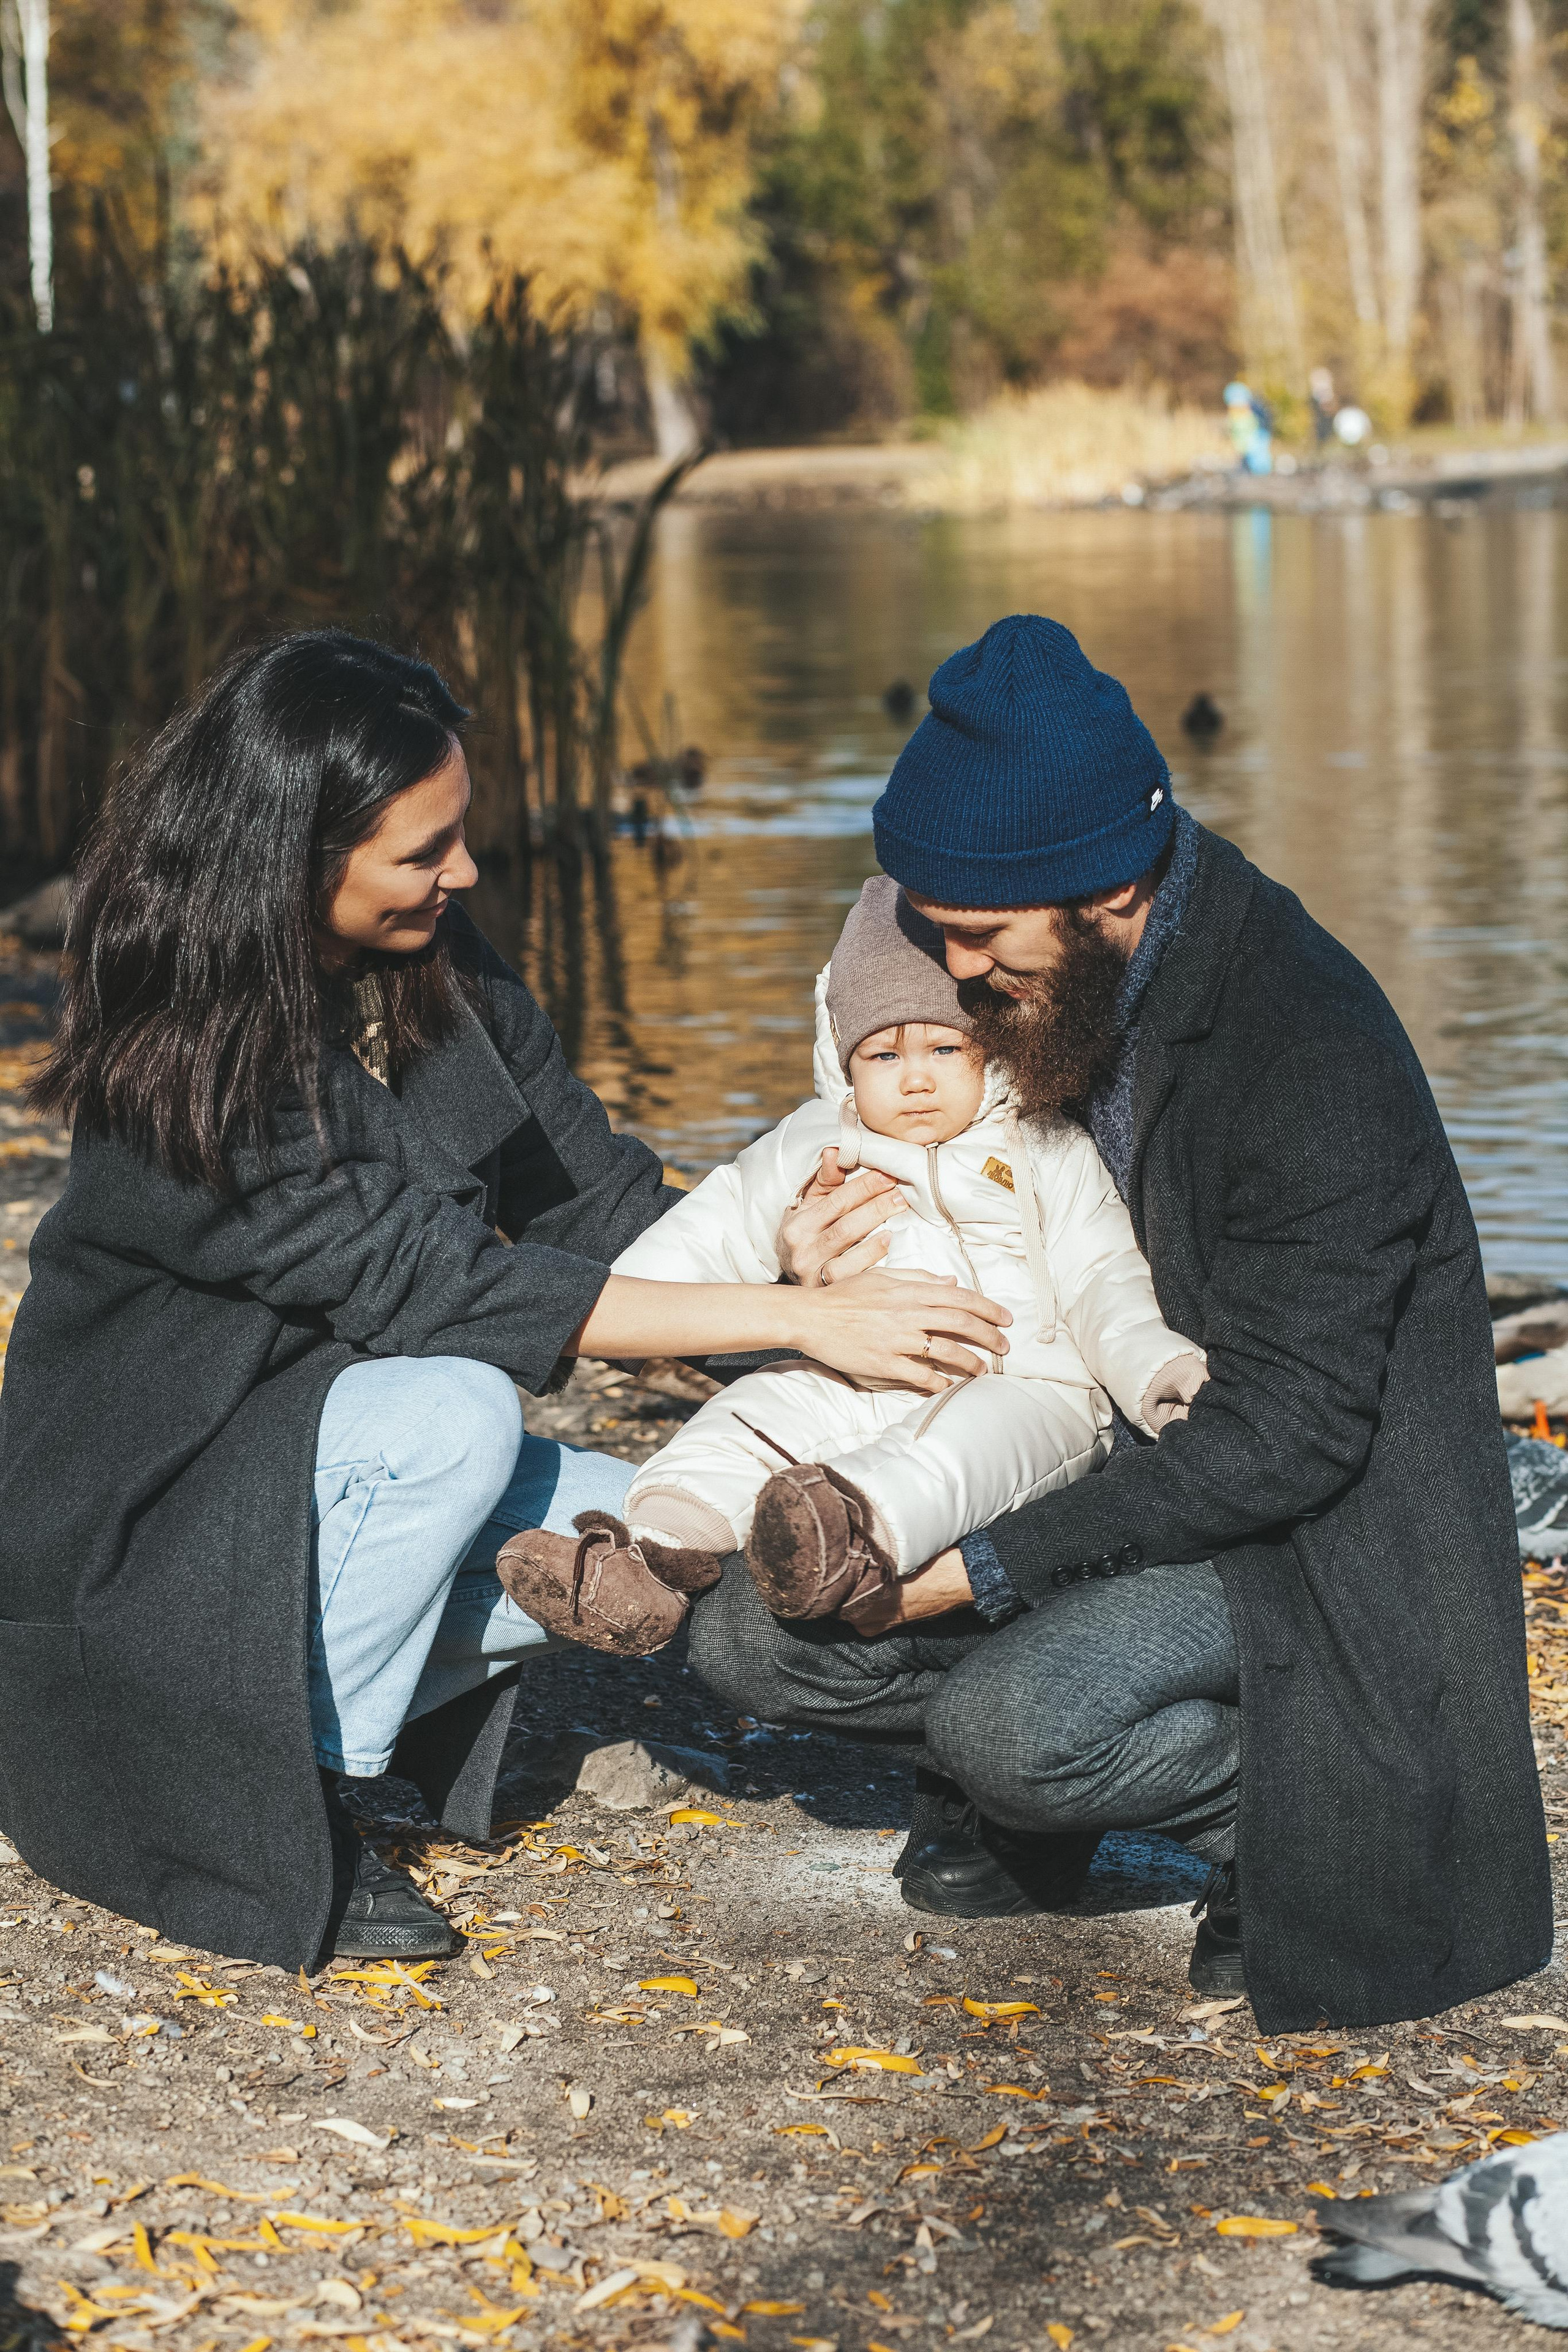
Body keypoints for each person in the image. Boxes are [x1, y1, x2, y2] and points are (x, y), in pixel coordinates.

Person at [0, 631, 1008, 1973]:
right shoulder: (183, 1046)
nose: (465, 871)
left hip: (336, 1452)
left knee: (661, 1542)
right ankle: (272, 1781)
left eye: (459, 833)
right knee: (459, 1417)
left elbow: (589, 1196)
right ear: (294, 858)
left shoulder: (435, 965)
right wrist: (796, 1318)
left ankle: (986, 1751)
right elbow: (443, 1288)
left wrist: (802, 1267)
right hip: (156, 1497)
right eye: (426, 851)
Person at [687, 612, 1551, 2034]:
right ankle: (1025, 1788)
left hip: (1302, 1528)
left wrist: (970, 1570)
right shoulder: (1063, 976)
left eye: (975, 937)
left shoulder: (1304, 1050)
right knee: (745, 1635)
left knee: (1013, 1724)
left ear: (1099, 886)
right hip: (1084, 1445)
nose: (953, 976)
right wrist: (812, 1269)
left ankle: (1278, 1816)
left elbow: (1286, 1439)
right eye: (934, 933)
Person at [500, 876, 1205, 1652]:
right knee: (751, 1416)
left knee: (955, 1455)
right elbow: (712, 1227)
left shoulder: (1042, 1146)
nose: (915, 1078)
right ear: (843, 1059)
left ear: (997, 1049)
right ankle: (646, 1559)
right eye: (883, 1053)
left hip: (1027, 1384)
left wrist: (1158, 1372)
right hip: (854, 1377)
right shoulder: (815, 1139)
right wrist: (604, 1319)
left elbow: (1103, 1277)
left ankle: (842, 1537)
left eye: (946, 1048)